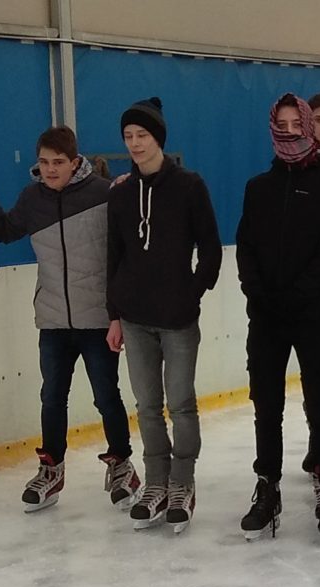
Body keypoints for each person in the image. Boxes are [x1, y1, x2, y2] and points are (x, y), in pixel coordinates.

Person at [0, 125, 138, 516]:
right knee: (52, 397)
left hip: (97, 318)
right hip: (53, 318)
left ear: (75, 162)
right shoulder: (33, 199)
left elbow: (128, 244)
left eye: (58, 162)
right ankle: (51, 468)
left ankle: (121, 463)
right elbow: (5, 230)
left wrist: (134, 187)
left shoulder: (103, 194)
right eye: (44, 162)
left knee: (106, 396)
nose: (50, 169)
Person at [236, 93, 320, 544]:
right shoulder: (258, 187)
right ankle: (268, 487)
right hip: (267, 316)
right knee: (267, 405)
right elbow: (246, 248)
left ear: (307, 125)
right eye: (280, 124)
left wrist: (298, 296)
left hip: (316, 313)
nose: (288, 132)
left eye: (294, 124)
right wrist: (260, 294)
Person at [106, 97, 222, 534]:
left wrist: (191, 292)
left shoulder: (189, 186)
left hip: (177, 319)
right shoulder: (120, 194)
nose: (135, 143)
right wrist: (114, 313)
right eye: (128, 136)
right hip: (134, 319)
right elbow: (113, 256)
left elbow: (210, 249)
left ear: (158, 138)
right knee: (148, 406)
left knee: (181, 404)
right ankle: (155, 481)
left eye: (142, 135)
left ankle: (182, 482)